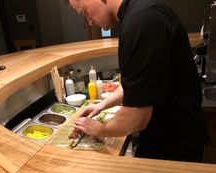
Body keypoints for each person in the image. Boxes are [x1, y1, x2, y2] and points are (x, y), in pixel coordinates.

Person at [69, 0, 206, 162]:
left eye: (84, 12)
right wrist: (101, 105)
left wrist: (99, 129)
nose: (89, 21)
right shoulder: (142, 12)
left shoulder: (141, 22)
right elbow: (138, 84)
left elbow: (136, 118)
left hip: (173, 146)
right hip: (175, 134)